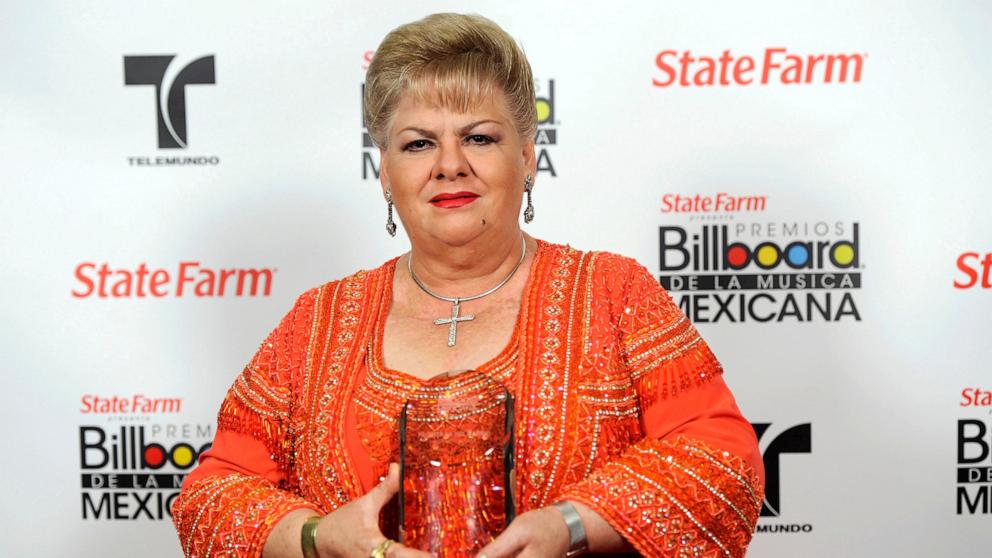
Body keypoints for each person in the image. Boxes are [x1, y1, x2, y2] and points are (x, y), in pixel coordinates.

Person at [172, 13, 764, 558]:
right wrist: (316, 536)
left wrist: (572, 523)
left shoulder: (612, 292)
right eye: (418, 143)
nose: (449, 163)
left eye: (479, 137)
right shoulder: (319, 319)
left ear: (528, 157)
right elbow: (212, 492)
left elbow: (722, 459)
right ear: (385, 174)